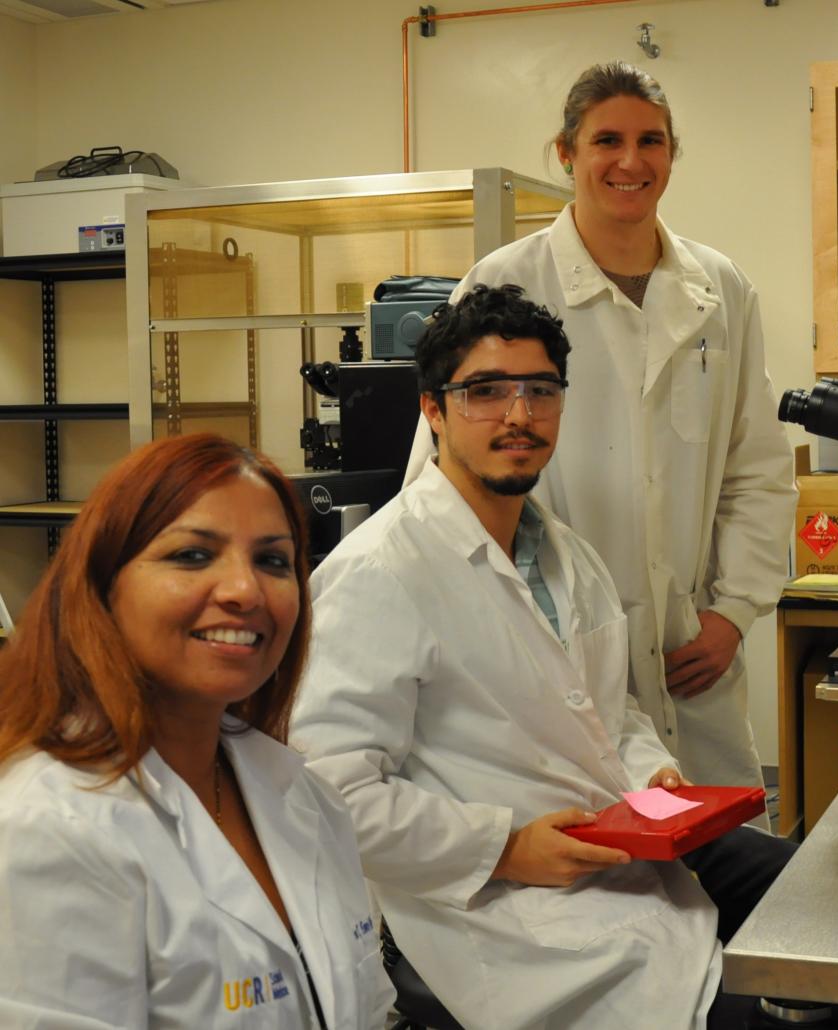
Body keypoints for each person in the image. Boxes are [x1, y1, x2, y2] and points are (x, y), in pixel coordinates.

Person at [292, 285, 796, 1029]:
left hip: (617, 839)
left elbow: (607, 708)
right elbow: (327, 794)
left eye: (540, 391)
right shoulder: (380, 573)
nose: (519, 415)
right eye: (486, 392)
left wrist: (650, 774)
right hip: (504, 901)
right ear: (433, 410)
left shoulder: (564, 554)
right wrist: (504, 848)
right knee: (754, 1012)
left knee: (822, 899)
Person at [405, 61, 797, 793]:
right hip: (546, 657)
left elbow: (759, 467)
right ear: (566, 152)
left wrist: (734, 613)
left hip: (690, 654)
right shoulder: (505, 283)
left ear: (671, 155)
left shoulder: (721, 290)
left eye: (651, 141)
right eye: (606, 140)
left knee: (719, 871)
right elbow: (442, 484)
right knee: (590, 868)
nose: (630, 161)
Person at [0, 433, 394, 1029]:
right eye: (192, 556)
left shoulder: (304, 797)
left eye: (273, 561)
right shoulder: (48, 829)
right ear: (105, 586)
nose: (245, 590)